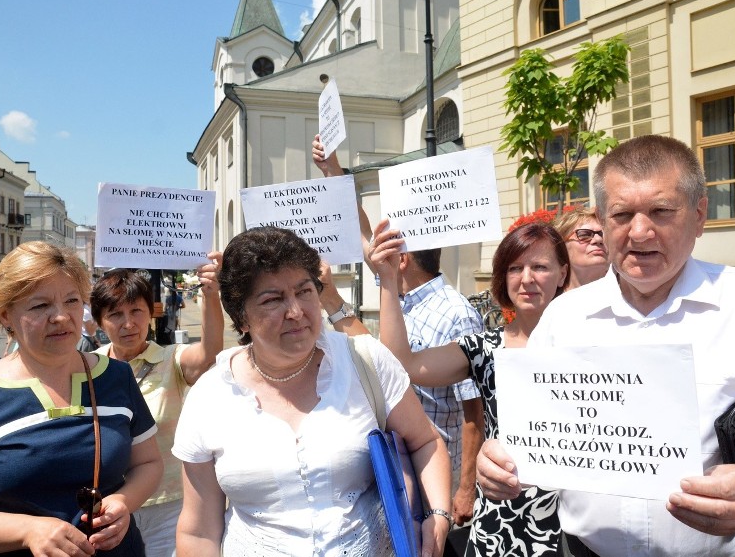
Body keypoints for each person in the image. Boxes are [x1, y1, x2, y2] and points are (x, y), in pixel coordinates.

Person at [476, 135, 735, 557]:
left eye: (661, 212)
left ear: (699, 216)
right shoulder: (563, 317)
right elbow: (525, 438)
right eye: (622, 214)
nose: (640, 231)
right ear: (603, 222)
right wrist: (495, 463)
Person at [172, 226, 453, 557]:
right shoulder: (210, 396)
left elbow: (426, 442)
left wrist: (438, 515)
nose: (296, 311)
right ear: (241, 317)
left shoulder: (365, 361)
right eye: (273, 299)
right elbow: (198, 531)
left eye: (304, 291)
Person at [0, 241, 163, 557]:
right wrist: (28, 530)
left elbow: (149, 463)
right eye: (40, 305)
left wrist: (124, 501)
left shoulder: (116, 376)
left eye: (71, 301)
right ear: (5, 315)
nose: (61, 317)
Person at [312, 134, 485, 532]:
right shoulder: (400, 296)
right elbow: (360, 234)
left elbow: (474, 412)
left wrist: (465, 489)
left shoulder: (455, 312)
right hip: (400, 460)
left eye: (386, 248)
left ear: (401, 259)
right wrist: (333, 172)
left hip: (436, 467)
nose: (375, 251)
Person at [369, 221, 570, 556]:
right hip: (499, 519)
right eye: (515, 268)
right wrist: (389, 281)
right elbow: (402, 363)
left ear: (563, 274)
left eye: (540, 267)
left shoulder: (590, 348)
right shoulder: (483, 348)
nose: (527, 278)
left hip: (569, 521)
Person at [90, 257, 223, 557]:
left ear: (151, 313)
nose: (128, 323)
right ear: (99, 321)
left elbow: (210, 352)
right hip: (110, 505)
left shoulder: (171, 359)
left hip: (169, 504)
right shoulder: (88, 368)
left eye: (137, 311)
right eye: (115, 314)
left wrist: (211, 295)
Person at [551, 206, 609, 289]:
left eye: (603, 234)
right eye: (585, 235)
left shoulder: (629, 297)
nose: (598, 239)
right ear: (563, 246)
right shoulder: (547, 299)